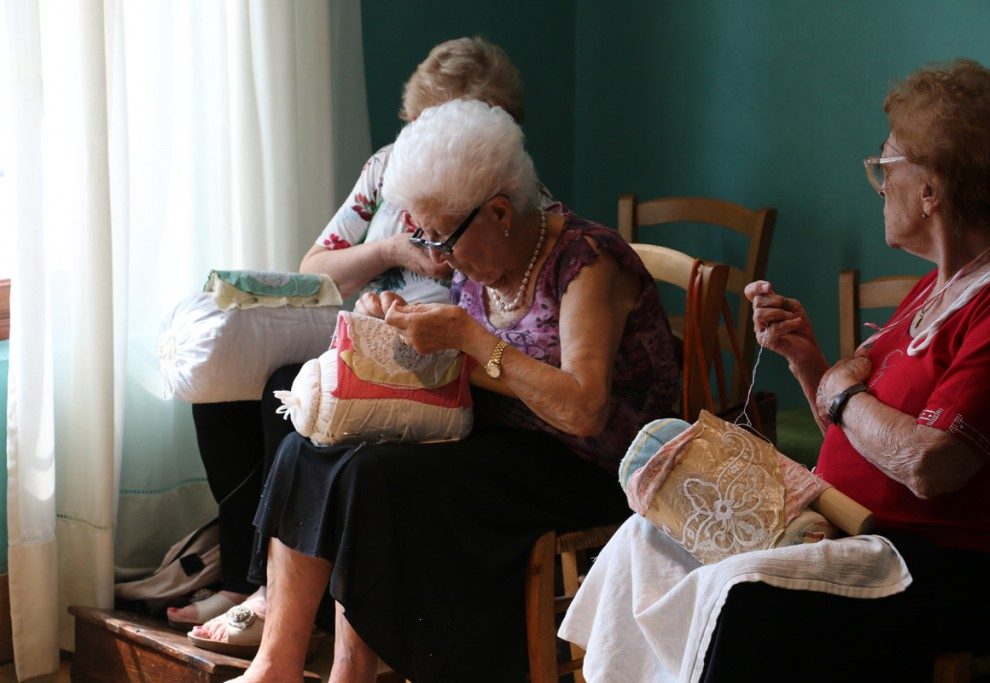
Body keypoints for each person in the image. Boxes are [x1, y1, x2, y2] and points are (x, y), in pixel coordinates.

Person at [560, 59, 990, 681]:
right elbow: (856, 421)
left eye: (886, 168)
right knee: (649, 543)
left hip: (942, 563)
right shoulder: (937, 288)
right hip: (852, 531)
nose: (880, 185)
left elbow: (929, 461)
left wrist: (841, 388)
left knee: (740, 592)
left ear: (933, 188)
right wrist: (811, 364)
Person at [227, 98, 679, 682]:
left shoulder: (587, 261)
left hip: (589, 466)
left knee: (374, 480)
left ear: (498, 210)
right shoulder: (477, 256)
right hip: (493, 440)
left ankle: (349, 676)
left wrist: (465, 337)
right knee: (311, 447)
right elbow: (468, 372)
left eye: (442, 238)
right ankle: (276, 666)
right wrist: (386, 322)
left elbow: (585, 409)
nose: (437, 256)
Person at [170, 37, 558, 641]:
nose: (432, 145)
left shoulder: (515, 204)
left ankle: (291, 595)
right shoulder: (385, 169)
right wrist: (392, 250)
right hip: (354, 332)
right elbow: (314, 269)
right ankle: (246, 570)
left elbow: (521, 324)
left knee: (288, 388)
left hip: (435, 359)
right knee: (220, 389)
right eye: (425, 127)